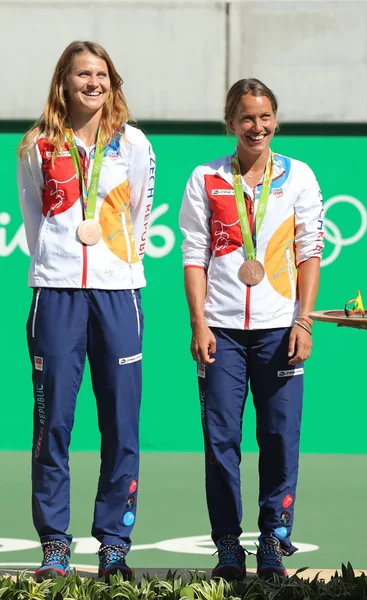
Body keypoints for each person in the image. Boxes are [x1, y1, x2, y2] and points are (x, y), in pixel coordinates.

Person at [17, 40, 155, 582]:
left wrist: (115, 269)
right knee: (53, 424)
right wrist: (60, 263)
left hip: (118, 296)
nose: (92, 83)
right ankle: (55, 544)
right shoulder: (37, 146)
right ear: (64, 82)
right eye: (82, 74)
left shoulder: (134, 144)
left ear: (112, 82)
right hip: (55, 297)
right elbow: (36, 219)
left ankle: (114, 543)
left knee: (121, 426)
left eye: (101, 74)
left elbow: (141, 213)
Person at [179, 78, 324, 581]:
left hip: (279, 331)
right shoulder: (205, 177)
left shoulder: (299, 176)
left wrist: (303, 320)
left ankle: (271, 542)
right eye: (246, 118)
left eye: (264, 117)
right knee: (220, 443)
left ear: (276, 120)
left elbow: (309, 253)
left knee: (280, 438)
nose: (256, 127)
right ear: (230, 123)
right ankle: (227, 548)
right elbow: (193, 257)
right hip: (221, 331)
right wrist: (198, 323)